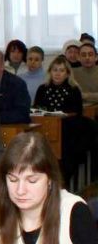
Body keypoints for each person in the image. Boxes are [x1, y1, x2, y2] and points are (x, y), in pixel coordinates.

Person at [34, 55, 96, 186]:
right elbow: (36, 109)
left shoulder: (73, 89)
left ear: (67, 73)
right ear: (50, 72)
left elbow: (77, 112)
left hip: (68, 128)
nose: (57, 73)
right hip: (45, 125)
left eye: (61, 70)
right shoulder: (42, 89)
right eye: (55, 70)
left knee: (71, 139)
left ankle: (63, 179)